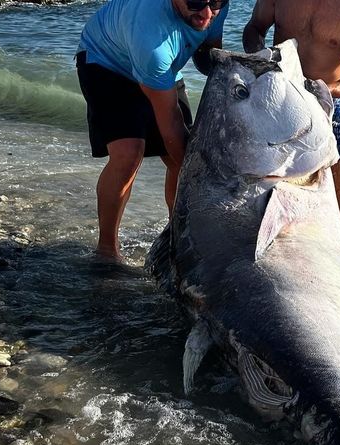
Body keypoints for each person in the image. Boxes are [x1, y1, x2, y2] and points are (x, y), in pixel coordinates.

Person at [76, 0, 230, 261]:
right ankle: (107, 249)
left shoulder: (216, 8)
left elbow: (207, 55)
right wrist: (205, 184)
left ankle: (177, 236)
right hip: (106, 62)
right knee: (129, 153)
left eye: (215, 3)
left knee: (183, 155)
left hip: (158, 66)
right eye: (195, 3)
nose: (206, 14)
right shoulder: (153, 40)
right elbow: (170, 126)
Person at [243, 0, 340, 237]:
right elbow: (254, 28)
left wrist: (322, 89)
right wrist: (264, 60)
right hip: (278, 93)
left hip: (327, 101)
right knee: (253, 186)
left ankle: (338, 249)